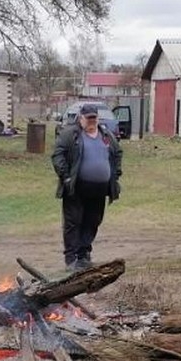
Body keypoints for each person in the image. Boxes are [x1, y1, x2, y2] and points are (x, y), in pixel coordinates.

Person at [51, 102, 122, 271]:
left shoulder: (105, 134)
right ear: (81, 118)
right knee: (73, 222)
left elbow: (117, 152)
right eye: (88, 118)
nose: (91, 121)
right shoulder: (71, 134)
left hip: (99, 189)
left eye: (94, 118)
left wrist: (116, 173)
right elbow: (57, 154)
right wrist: (66, 177)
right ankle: (71, 258)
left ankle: (84, 254)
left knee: (92, 221)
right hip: (76, 187)